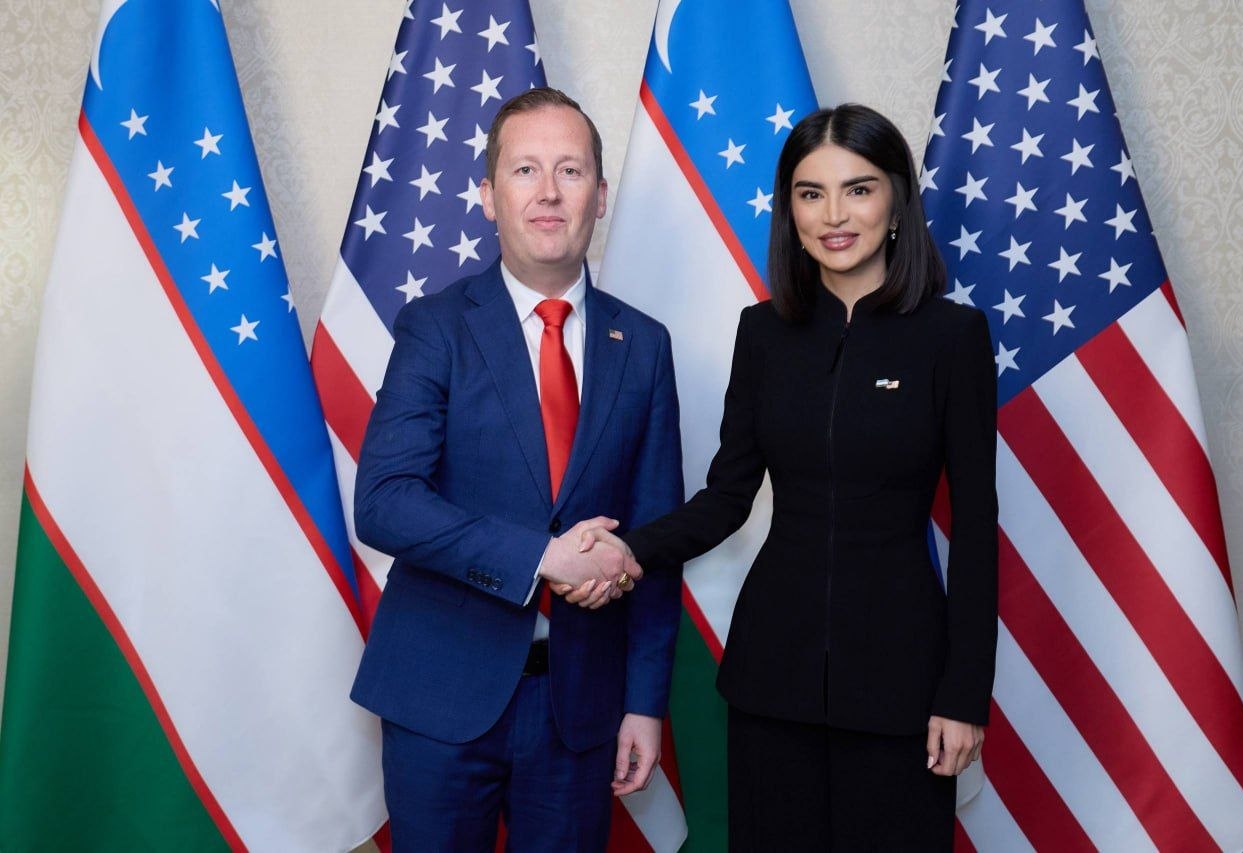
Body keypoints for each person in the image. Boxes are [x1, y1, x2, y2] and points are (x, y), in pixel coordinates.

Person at [584, 103, 998, 850]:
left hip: (903, 681)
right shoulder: (764, 332)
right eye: (811, 193)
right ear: (791, 212)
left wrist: (964, 693)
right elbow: (726, 497)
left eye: (858, 189)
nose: (834, 215)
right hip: (771, 676)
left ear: (897, 201)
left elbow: (974, 530)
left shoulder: (953, 337)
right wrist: (626, 551)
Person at [350, 87, 684, 851]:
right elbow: (385, 501)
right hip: (440, 697)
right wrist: (542, 557)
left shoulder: (645, 345)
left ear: (600, 196)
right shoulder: (435, 327)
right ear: (488, 195)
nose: (548, 192)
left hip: (581, 709)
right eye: (525, 169)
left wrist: (644, 702)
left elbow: (657, 538)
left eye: (571, 170)